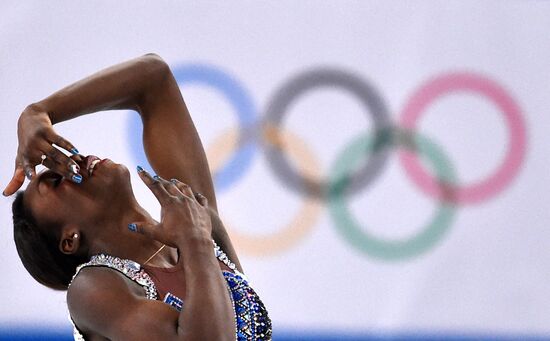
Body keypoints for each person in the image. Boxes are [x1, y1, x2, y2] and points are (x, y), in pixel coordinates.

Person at [3, 54, 272, 340]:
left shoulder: (196, 221)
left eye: (64, 161)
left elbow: (153, 79)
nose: (74, 162)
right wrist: (195, 243)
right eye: (56, 181)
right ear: (70, 239)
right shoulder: (92, 289)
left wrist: (39, 112)